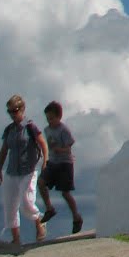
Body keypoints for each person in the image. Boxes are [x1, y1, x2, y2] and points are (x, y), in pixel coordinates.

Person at [0, 94, 48, 248]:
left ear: (22, 109)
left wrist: (46, 160)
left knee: (27, 202)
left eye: (15, 110)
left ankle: (39, 222)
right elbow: (4, 151)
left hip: (28, 170)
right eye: (9, 111)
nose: (12, 114)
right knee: (10, 204)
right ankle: (16, 239)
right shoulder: (9, 130)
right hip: (12, 171)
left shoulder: (30, 127)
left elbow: (42, 143)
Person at [37, 100, 83, 234]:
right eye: (48, 119)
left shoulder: (63, 130)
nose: (49, 121)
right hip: (53, 162)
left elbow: (69, 148)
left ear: (59, 117)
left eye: (52, 118)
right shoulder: (47, 130)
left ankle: (76, 217)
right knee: (41, 183)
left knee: (65, 193)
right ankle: (49, 208)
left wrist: (59, 150)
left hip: (65, 163)